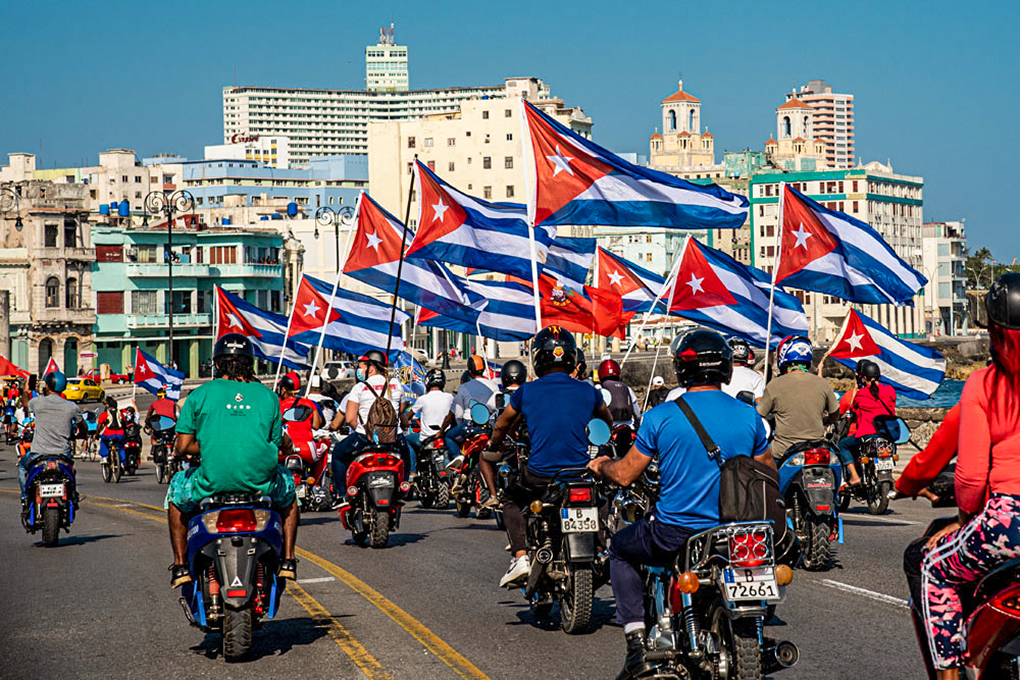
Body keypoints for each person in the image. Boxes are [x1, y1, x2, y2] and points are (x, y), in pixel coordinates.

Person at [587, 330, 772, 679]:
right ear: (726, 370)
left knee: (620, 549)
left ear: (681, 370)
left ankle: (636, 645)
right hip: (735, 530)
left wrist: (600, 465)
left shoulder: (661, 417)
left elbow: (626, 474)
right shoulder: (749, 416)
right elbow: (766, 471)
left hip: (677, 530)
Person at [920, 273, 1020, 678]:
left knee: (933, 569)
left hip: (1009, 522)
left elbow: (971, 476)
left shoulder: (986, 384)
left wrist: (966, 518)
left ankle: (948, 674)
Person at [481, 327, 612, 588]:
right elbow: (606, 422)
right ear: (571, 357)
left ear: (539, 358)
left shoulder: (526, 392)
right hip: (579, 472)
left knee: (509, 499)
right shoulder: (589, 391)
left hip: (540, 474)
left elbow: (502, 424)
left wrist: (495, 442)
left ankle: (520, 557)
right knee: (601, 499)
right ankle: (600, 548)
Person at [166, 333, 299, 588]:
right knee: (290, 493)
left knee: (175, 494)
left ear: (216, 364)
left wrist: (208, 448)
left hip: (211, 484)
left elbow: (182, 447)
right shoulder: (269, 396)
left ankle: (181, 565)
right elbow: (275, 441)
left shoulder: (199, 395)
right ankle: (288, 561)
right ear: (250, 363)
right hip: (261, 486)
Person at [329, 351, 407, 509]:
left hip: (365, 438)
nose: (359, 370)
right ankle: (402, 488)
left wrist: (363, 428)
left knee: (338, 454)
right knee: (406, 455)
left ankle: (341, 494)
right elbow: (400, 412)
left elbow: (350, 418)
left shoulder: (360, 388)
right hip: (394, 438)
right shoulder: (396, 385)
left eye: (362, 366)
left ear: (371, 368)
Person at [757, 335, 839, 461]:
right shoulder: (823, 383)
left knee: (760, 463)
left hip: (783, 451)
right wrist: (825, 421)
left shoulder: (775, 384)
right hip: (816, 450)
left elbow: (759, 415)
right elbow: (835, 414)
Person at [19, 371, 81, 506]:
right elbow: (83, 427)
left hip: (38, 455)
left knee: (23, 466)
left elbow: (25, 404)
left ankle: (24, 498)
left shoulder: (38, 403)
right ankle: (74, 496)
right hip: (62, 454)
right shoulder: (72, 407)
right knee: (71, 471)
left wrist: (26, 391)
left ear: (47, 386)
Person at [835, 361, 892, 486]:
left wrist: (856, 388)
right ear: (880, 377)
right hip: (887, 435)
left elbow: (853, 409)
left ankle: (854, 477)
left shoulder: (861, 394)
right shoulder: (889, 391)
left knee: (842, 445)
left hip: (867, 434)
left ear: (863, 377)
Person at [440, 355, 499, 464]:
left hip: (469, 426)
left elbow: (458, 413)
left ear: (470, 371)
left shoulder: (464, 387)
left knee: (449, 437)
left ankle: (458, 457)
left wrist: (459, 425)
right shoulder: (494, 385)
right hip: (489, 427)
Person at [278, 370, 325, 483]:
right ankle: (316, 482)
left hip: (285, 450)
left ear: (284, 389)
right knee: (324, 446)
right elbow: (316, 426)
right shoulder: (310, 404)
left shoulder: (277, 405)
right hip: (307, 450)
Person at [402, 369, 454, 466]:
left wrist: (401, 421)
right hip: (444, 436)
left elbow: (408, 416)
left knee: (406, 440)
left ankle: (412, 470)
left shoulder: (422, 399)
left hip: (426, 438)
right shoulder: (450, 397)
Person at [597, 359, 641, 429]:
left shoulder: (599, 389)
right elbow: (637, 414)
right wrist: (637, 425)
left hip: (608, 428)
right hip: (628, 427)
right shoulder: (627, 388)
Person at [98, 396, 126, 469]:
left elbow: (100, 425)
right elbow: (124, 423)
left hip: (108, 434)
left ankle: (104, 457)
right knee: (121, 447)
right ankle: (122, 463)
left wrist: (97, 434)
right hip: (120, 434)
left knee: (103, 442)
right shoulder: (120, 413)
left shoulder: (105, 414)